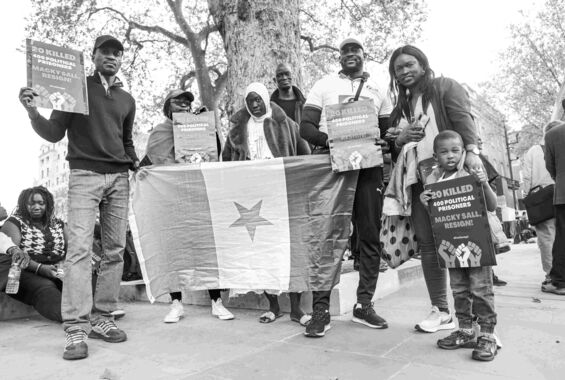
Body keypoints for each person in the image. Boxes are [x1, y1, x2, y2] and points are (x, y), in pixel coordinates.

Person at [19, 35, 139, 360]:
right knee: (80, 251)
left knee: (114, 251)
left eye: (117, 53)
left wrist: (135, 162)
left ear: (120, 59)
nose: (111, 57)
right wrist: (33, 112)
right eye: (105, 52)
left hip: (119, 178)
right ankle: (75, 329)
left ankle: (103, 317)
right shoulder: (76, 88)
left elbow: (126, 142)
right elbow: (54, 133)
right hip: (84, 175)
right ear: (95, 56)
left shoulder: (127, 99)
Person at [300, 37, 392, 337]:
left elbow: (387, 131)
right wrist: (333, 142)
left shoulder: (379, 88)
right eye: (345, 51)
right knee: (328, 236)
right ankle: (321, 310)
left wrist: (386, 139)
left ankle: (364, 304)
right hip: (331, 168)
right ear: (339, 57)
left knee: (368, 234)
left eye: (356, 50)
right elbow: (306, 128)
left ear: (364, 56)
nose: (351, 54)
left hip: (369, 170)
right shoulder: (323, 84)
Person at [388, 45, 483, 334]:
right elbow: (394, 145)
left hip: (451, 176)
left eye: (409, 64)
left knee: (463, 241)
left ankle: (476, 317)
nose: (405, 71)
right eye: (398, 68)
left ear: (423, 63)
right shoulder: (401, 106)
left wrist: (473, 152)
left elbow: (462, 119)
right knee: (429, 246)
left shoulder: (444, 86)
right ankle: (441, 310)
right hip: (417, 180)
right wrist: (399, 138)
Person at [142, 88, 234, 323]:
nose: (184, 104)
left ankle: (216, 301)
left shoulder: (198, 125)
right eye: (178, 101)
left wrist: (207, 125)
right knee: (174, 250)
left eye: (187, 101)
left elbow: (215, 153)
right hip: (171, 199)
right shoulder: (160, 132)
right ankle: (176, 303)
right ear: (167, 106)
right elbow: (149, 161)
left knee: (206, 247)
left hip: (197, 194)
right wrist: (137, 172)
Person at [222, 82, 311, 325]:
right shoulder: (237, 132)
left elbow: (305, 156)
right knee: (260, 251)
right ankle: (272, 307)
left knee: (290, 248)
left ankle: (296, 309)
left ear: (265, 99)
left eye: (258, 99)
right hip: (250, 197)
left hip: (283, 195)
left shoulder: (288, 124)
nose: (254, 104)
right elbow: (226, 163)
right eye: (249, 100)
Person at [420, 130, 498, 361]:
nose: (450, 156)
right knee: (459, 289)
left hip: (477, 243)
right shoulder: (433, 179)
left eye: (455, 151)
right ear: (436, 157)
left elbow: (492, 206)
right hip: (451, 246)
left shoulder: (472, 172)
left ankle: (487, 334)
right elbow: (436, 215)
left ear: (463, 152)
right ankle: (465, 330)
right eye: (444, 152)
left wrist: (484, 184)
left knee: (481, 289)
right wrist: (425, 202)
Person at [0, 186, 67, 322]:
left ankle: (87, 311)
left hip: (55, 270)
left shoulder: (58, 223)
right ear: (24, 205)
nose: (37, 207)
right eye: (31, 203)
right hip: (24, 271)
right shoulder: (14, 223)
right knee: (45, 289)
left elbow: (74, 248)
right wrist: (40, 268)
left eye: (41, 203)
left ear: (48, 204)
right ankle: (70, 318)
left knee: (75, 286)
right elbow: (12, 257)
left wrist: (65, 266)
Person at [522, 121, 559, 287]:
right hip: (560, 193)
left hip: (542, 198)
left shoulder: (534, 151)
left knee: (546, 239)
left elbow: (527, 177)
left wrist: (526, 196)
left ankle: (551, 275)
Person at [543, 120, 565, 295]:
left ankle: (561, 282)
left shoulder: (552, 134)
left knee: (563, 238)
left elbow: (550, 166)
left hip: (563, 193)